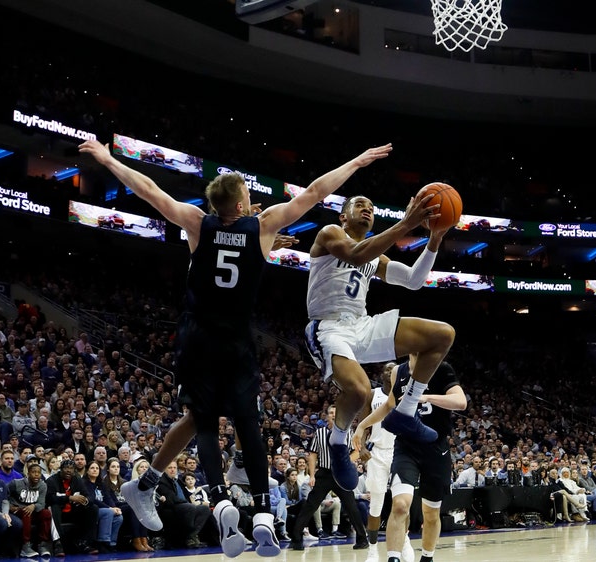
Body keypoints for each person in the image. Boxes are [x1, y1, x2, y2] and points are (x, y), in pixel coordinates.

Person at [79, 138, 395, 558]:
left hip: (197, 337)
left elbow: (149, 189)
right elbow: (318, 191)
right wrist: (356, 159)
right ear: (244, 204)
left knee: (201, 418)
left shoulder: (198, 223)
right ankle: (260, 510)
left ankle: (209, 498)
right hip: (236, 340)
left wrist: (105, 158)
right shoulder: (262, 226)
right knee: (246, 421)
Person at [303, 188, 456, 492]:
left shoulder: (375, 255)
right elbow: (356, 253)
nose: (368, 208)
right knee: (359, 391)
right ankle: (337, 442)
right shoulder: (330, 232)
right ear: (343, 215)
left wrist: (434, 240)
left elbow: (413, 281)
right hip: (329, 328)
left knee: (442, 335)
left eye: (372, 206)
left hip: (361, 325)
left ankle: (406, 410)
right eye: (360, 204)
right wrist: (406, 224)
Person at [353, 357, 467, 562]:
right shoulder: (399, 371)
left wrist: (427, 397)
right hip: (406, 447)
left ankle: (427, 557)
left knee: (431, 514)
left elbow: (460, 402)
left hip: (436, 448)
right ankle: (393, 558)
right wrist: (362, 425)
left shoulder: (441, 368)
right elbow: (390, 404)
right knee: (400, 505)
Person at [288, 406, 368, 552]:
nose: (333, 415)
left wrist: (344, 462)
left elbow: (356, 452)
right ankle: (296, 538)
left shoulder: (348, 433)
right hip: (324, 473)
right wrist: (311, 475)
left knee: (351, 506)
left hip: (341, 474)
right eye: (331, 413)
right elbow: (312, 455)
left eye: (336, 413)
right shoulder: (319, 433)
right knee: (310, 505)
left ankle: (362, 538)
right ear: (326, 416)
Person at [353, 362, 396, 558]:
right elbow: (363, 423)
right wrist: (361, 447)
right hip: (377, 453)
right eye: (386, 369)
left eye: (393, 368)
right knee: (376, 502)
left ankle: (402, 544)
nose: (389, 371)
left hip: (399, 452)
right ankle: (372, 549)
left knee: (401, 501)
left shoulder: (406, 394)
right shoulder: (374, 394)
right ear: (382, 374)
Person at [7, 461, 54, 558]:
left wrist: (34, 506)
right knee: (26, 512)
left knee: (46, 513)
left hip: (33, 511)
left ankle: (42, 545)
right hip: (18, 510)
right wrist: (10, 507)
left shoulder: (42, 485)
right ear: (28, 474)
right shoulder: (16, 483)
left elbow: (42, 503)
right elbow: (4, 495)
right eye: (33, 472)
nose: (36, 474)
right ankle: (25, 546)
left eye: (39, 472)